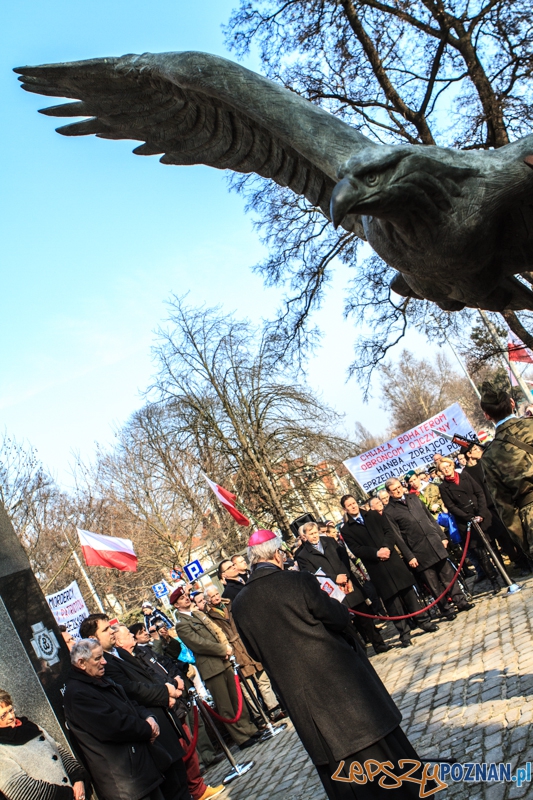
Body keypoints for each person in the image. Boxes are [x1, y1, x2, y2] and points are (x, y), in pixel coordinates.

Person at [232, 529, 423, 800]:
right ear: (277, 554)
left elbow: (255, 651)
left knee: (340, 767)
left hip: (301, 697)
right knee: (378, 748)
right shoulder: (297, 580)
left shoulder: (239, 604)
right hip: (340, 682)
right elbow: (337, 617)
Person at [79, 614, 191, 800]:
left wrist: (168, 689)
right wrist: (165, 693)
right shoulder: (104, 663)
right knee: (174, 790)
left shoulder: (120, 653)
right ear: (92, 638)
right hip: (153, 730)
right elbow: (132, 690)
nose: (112, 632)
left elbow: (146, 676)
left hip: (164, 722)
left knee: (181, 784)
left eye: (111, 627)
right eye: (106, 629)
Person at [112, 625, 224, 800]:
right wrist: (167, 693)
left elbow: (164, 664)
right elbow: (142, 685)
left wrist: (175, 679)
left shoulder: (143, 652)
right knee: (183, 751)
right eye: (128, 634)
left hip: (174, 697)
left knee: (187, 745)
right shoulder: (125, 662)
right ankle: (196, 789)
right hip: (163, 706)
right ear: (119, 641)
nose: (132, 636)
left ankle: (197, 786)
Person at [64, 638, 165, 800]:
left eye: (103, 656)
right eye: (97, 658)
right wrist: (147, 729)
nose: (104, 662)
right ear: (82, 663)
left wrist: (148, 717)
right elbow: (114, 727)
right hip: (125, 781)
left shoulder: (99, 679)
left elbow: (128, 704)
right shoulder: (78, 694)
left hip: (138, 771)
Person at [169, 587, 263, 750]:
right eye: (182, 598)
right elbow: (198, 643)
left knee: (236, 698)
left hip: (224, 660)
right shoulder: (181, 624)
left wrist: (226, 646)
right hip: (211, 667)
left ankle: (249, 728)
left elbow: (216, 630)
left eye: (185, 596)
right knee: (225, 704)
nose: (186, 598)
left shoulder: (197, 614)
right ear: (176, 605)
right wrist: (221, 650)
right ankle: (241, 737)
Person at [339, 495, 438, 647]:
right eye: (349, 505)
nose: (353, 506)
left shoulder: (372, 514)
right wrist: (376, 553)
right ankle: (404, 633)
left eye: (354, 503)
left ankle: (423, 621)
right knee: (392, 602)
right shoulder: (346, 530)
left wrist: (386, 547)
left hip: (392, 560)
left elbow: (389, 532)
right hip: (376, 567)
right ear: (345, 509)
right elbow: (356, 549)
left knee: (409, 594)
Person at [384, 479, 473, 619]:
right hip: (418, 550)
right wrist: (409, 556)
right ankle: (446, 609)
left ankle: (461, 601)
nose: (398, 490)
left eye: (399, 487)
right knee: (433, 584)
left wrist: (442, 536)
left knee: (448, 575)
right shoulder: (389, 511)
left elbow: (430, 519)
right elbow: (398, 537)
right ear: (389, 492)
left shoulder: (413, 498)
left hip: (434, 542)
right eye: (394, 490)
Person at [296, 521, 390, 654]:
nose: (314, 536)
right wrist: (335, 578)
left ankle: (379, 644)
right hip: (333, 592)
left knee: (365, 618)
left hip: (348, 583)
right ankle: (359, 652)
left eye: (316, 532)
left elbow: (344, 556)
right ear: (305, 536)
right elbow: (312, 574)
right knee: (347, 625)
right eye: (311, 534)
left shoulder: (329, 541)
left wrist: (344, 575)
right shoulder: (302, 556)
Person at [204, 584, 286, 720]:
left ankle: (274, 710)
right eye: (212, 596)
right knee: (247, 686)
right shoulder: (210, 617)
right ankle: (260, 716)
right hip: (233, 651)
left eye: (216, 594)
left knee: (262, 679)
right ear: (208, 600)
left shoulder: (230, 604)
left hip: (245, 644)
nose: (216, 597)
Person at [0, 688, 87, 800]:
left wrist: (77, 779)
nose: (11, 717)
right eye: (3, 715)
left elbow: (57, 749)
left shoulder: (28, 726)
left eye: (11, 710)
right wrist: (67, 794)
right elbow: (18, 789)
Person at [464, 440, 532, 573]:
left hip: (501, 501)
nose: (480, 451)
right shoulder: (466, 473)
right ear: (470, 454)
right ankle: (519, 562)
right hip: (488, 508)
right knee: (504, 538)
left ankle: (528, 559)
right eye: (476, 450)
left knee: (515, 532)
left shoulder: (486, 462)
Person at [438, 456, 502, 593]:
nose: (446, 469)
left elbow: (479, 493)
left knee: (493, 548)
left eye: (448, 466)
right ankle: (494, 580)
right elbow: (451, 506)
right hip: (466, 521)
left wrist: (481, 512)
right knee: (481, 554)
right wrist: (468, 517)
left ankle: (504, 574)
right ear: (441, 472)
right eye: (443, 469)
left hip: (481, 515)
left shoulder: (465, 476)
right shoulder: (444, 487)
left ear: (452, 465)